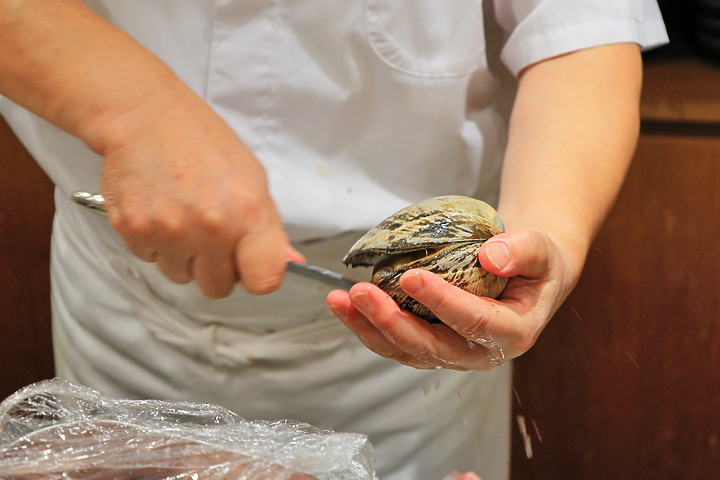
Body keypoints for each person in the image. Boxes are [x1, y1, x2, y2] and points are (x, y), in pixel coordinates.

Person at [0, 1, 667, 479]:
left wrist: (541, 238)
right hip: (125, 291)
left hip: (412, 340)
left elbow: (581, 29)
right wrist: (132, 109)